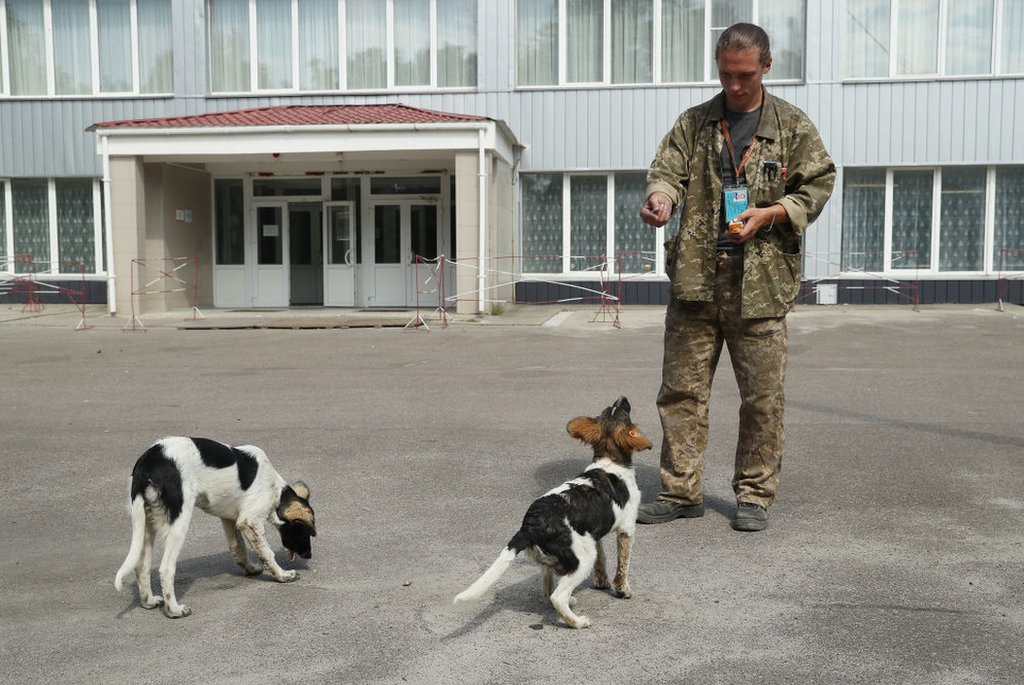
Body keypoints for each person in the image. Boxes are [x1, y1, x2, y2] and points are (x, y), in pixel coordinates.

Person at [638, 22, 835, 532]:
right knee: (680, 392)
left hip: (761, 284)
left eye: (744, 75)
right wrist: (661, 198)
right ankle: (681, 490)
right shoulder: (695, 123)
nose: (733, 86)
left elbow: (818, 183)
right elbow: (667, 170)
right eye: (725, 75)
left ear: (767, 67)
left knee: (762, 397)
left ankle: (754, 495)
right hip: (696, 279)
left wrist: (769, 213)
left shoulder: (791, 126)